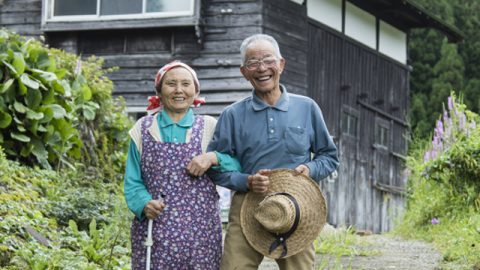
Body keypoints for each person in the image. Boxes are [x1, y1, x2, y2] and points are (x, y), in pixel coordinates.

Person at [207, 34, 339, 270]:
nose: (262, 68)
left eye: (268, 60)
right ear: (244, 71)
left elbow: (329, 157)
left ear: (281, 64)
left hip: (297, 207)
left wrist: (309, 169)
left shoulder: (307, 107)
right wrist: (246, 180)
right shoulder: (232, 115)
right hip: (248, 204)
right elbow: (216, 167)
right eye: (253, 63)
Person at [124, 61, 240, 270]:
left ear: (196, 91)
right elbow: (133, 181)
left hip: (201, 235)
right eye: (171, 84)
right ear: (159, 91)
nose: (179, 90)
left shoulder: (209, 127)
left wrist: (213, 158)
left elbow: (237, 163)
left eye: (186, 84)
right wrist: (144, 204)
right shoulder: (143, 128)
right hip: (154, 229)